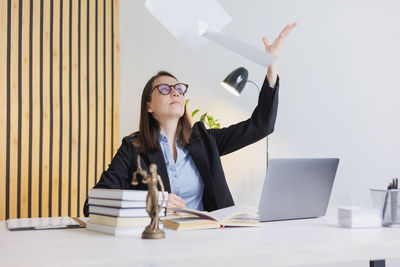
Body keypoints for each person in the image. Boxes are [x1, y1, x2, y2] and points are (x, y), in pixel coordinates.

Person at [83, 23, 297, 216]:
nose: (175, 93)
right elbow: (92, 204)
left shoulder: (204, 139)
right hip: (158, 241)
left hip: (206, 238)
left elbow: (261, 126)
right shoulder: (133, 148)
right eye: (165, 89)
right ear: (149, 105)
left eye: (179, 88)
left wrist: (272, 67)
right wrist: (152, 201)